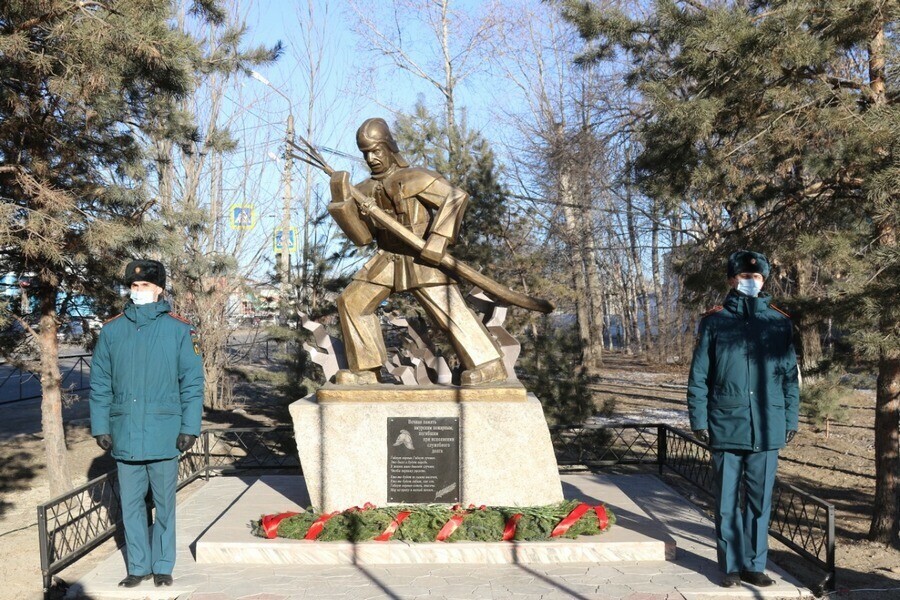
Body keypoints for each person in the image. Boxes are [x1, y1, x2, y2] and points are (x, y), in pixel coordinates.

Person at [328, 118, 505, 386]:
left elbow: (455, 197)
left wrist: (438, 238)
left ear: (389, 147)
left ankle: (488, 365)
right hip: (387, 257)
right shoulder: (363, 190)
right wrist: (342, 203)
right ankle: (365, 370)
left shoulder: (416, 177)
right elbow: (363, 238)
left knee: (447, 307)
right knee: (352, 302)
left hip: (421, 255)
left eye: (376, 150)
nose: (371, 158)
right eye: (366, 153)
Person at [687, 250, 800, 588]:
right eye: (744, 277)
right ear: (732, 280)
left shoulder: (778, 322)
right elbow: (699, 376)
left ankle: (755, 564)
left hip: (767, 426)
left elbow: (789, 377)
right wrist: (699, 419)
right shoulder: (715, 321)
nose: (751, 282)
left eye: (757, 277)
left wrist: (791, 418)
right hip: (725, 422)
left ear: (764, 281)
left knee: (759, 501)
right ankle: (732, 565)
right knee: (725, 502)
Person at [89, 259, 204, 589]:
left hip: (165, 433)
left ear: (159, 289)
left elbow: (193, 383)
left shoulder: (179, 330)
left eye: (145, 287)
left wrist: (189, 427)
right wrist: (101, 426)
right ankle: (138, 566)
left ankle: (164, 564)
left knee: (166, 505)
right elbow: (100, 383)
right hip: (125, 433)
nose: (139, 292)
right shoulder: (112, 331)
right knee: (131, 505)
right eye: (134, 287)